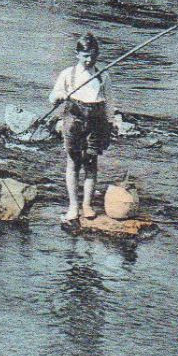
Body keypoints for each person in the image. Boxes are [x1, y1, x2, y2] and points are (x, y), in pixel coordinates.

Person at [50, 32, 113, 224]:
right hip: (74, 120)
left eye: (93, 55)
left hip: (97, 121)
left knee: (91, 162)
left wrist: (110, 123)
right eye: (85, 56)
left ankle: (87, 204)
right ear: (77, 54)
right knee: (73, 162)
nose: (89, 60)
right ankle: (73, 205)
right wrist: (60, 96)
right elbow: (52, 97)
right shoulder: (68, 74)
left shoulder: (103, 75)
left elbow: (109, 103)